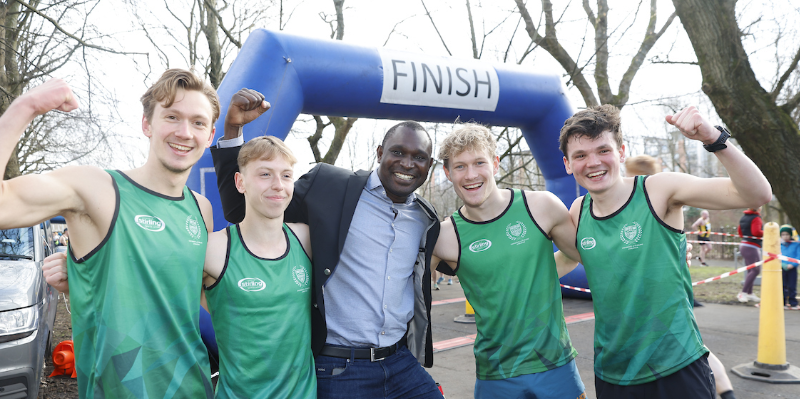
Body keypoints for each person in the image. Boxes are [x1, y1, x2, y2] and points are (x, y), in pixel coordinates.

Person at [6, 70, 219, 398]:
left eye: (198, 122)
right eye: (172, 116)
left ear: (210, 134)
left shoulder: (201, 209)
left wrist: (86, 276)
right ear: (147, 124)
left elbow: (199, 297)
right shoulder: (98, 188)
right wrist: (27, 106)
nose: (184, 132)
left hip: (195, 389)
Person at [212, 120, 444, 398]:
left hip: (400, 361)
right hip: (340, 367)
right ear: (380, 152)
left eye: (419, 157)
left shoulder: (426, 217)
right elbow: (245, 210)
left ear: (428, 165)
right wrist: (233, 136)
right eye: (398, 152)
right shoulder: (329, 185)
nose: (407, 164)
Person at [560, 104, 771, 398]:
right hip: (613, 372)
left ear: (621, 153)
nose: (593, 162)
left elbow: (757, 194)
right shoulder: (577, 212)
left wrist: (714, 138)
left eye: (603, 150)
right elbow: (565, 260)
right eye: (580, 155)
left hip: (677, 365)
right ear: (568, 164)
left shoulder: (658, 189)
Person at [431, 123, 586, 399]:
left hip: (556, 366)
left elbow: (578, 254)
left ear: (495, 164)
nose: (471, 175)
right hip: (496, 374)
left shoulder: (541, 205)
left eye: (479, 162)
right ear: (447, 172)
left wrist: (540, 275)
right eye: (460, 166)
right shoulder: (444, 236)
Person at [204, 134, 316, 398]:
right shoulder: (214, 249)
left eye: (286, 176)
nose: (278, 185)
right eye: (265, 174)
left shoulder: (307, 239)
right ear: (240, 182)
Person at [737, 207, 764, 303]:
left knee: (750, 270)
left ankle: (749, 293)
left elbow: (740, 232)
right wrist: (767, 232)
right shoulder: (756, 218)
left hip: (744, 244)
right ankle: (743, 293)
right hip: (751, 246)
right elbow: (756, 232)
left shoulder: (744, 217)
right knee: (756, 270)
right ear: (759, 208)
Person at [781, 224, 800, 310]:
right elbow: (776, 256)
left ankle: (793, 303)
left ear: (791, 235)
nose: (785, 236)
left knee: (792, 286)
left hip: (792, 268)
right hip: (782, 268)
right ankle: (783, 302)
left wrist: (793, 264)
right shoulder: (779, 244)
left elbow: (798, 256)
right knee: (783, 285)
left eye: (787, 234)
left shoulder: (796, 244)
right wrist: (783, 265)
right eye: (783, 234)